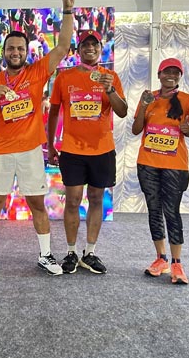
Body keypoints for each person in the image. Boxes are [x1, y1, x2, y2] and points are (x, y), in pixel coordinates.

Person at [0, 0, 77, 276]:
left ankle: (46, 255)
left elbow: (64, 45)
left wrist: (67, 9)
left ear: (26, 51)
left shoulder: (37, 72)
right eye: (11, 48)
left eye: (20, 48)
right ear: (3, 52)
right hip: (1, 151)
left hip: (29, 151)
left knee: (37, 205)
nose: (15, 52)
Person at [47, 29, 128, 275]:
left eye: (94, 45)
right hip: (72, 149)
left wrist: (110, 89)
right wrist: (51, 144)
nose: (90, 48)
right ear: (78, 49)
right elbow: (53, 112)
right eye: (85, 45)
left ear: (100, 49)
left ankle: (89, 252)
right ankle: (71, 251)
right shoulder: (65, 77)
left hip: (102, 149)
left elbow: (123, 111)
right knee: (72, 200)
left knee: (95, 198)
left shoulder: (110, 76)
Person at [131, 58, 189, 284]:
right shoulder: (148, 97)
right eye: (166, 72)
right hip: (147, 163)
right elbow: (136, 129)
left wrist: (188, 129)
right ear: (159, 75)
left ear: (180, 76)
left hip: (175, 166)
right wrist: (145, 106)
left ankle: (177, 263)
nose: (171, 76)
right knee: (154, 210)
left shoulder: (188, 100)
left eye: (175, 73)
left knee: (172, 212)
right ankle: (161, 258)